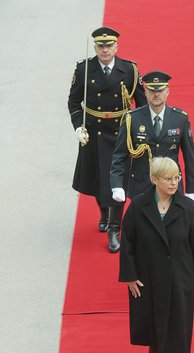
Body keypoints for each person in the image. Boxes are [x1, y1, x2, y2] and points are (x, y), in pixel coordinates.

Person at [119, 157, 194, 353]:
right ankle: (156, 346)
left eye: (177, 178)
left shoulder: (187, 208)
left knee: (178, 326)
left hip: (179, 277)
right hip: (148, 277)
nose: (174, 183)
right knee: (151, 318)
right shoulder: (139, 207)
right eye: (168, 179)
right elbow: (127, 241)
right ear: (154, 180)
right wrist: (130, 276)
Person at [67, 26, 146, 252]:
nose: (105, 50)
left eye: (109, 45)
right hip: (93, 132)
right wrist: (78, 127)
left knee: (117, 182)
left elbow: (141, 103)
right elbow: (74, 103)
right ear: (95, 47)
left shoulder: (129, 70)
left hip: (120, 132)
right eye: (100, 46)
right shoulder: (84, 70)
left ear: (116, 47)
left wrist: (140, 132)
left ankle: (114, 228)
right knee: (96, 178)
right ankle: (104, 212)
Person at [110, 71, 194, 252]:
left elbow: (190, 156)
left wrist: (191, 190)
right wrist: (117, 185)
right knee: (143, 235)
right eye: (152, 91)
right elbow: (120, 155)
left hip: (171, 185)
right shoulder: (131, 119)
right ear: (146, 92)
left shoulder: (180, 118)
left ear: (168, 92)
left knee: (172, 233)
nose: (156, 94)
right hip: (142, 184)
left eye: (160, 90)